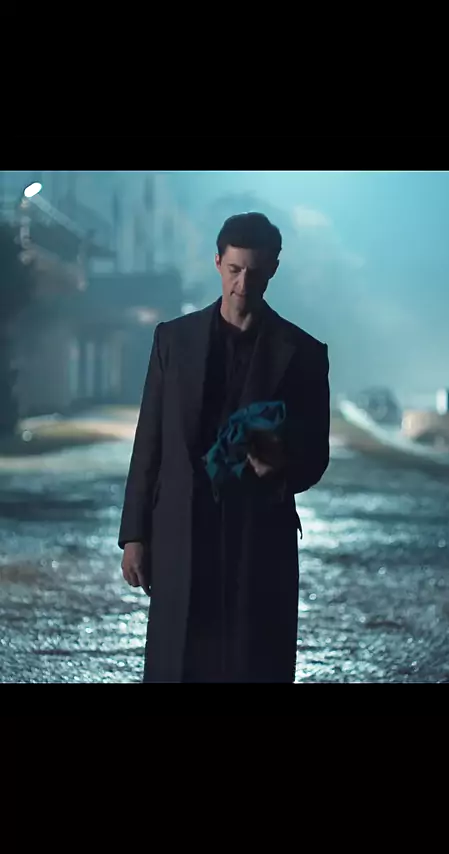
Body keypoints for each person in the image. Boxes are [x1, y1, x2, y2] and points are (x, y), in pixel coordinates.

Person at [119, 212, 330, 683]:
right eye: (234, 270)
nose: (242, 284)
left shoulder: (304, 353)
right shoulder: (173, 340)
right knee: (178, 665)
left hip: (259, 538)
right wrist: (134, 535)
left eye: (254, 273)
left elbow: (317, 455)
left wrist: (280, 463)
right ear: (217, 262)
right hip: (181, 532)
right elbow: (149, 440)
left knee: (253, 666)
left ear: (273, 268)